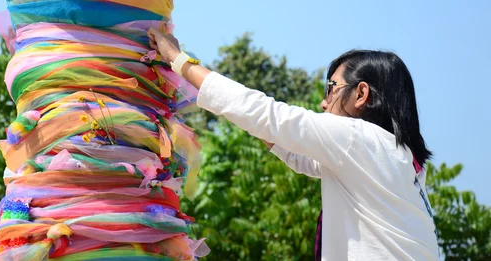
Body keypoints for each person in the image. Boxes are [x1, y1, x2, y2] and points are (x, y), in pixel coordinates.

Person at [148, 28, 440, 261]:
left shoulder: (357, 138)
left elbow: (266, 114)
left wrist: (178, 59)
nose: (324, 102)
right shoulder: (397, 157)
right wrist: (256, 122)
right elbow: (294, 151)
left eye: (332, 88)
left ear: (361, 94)